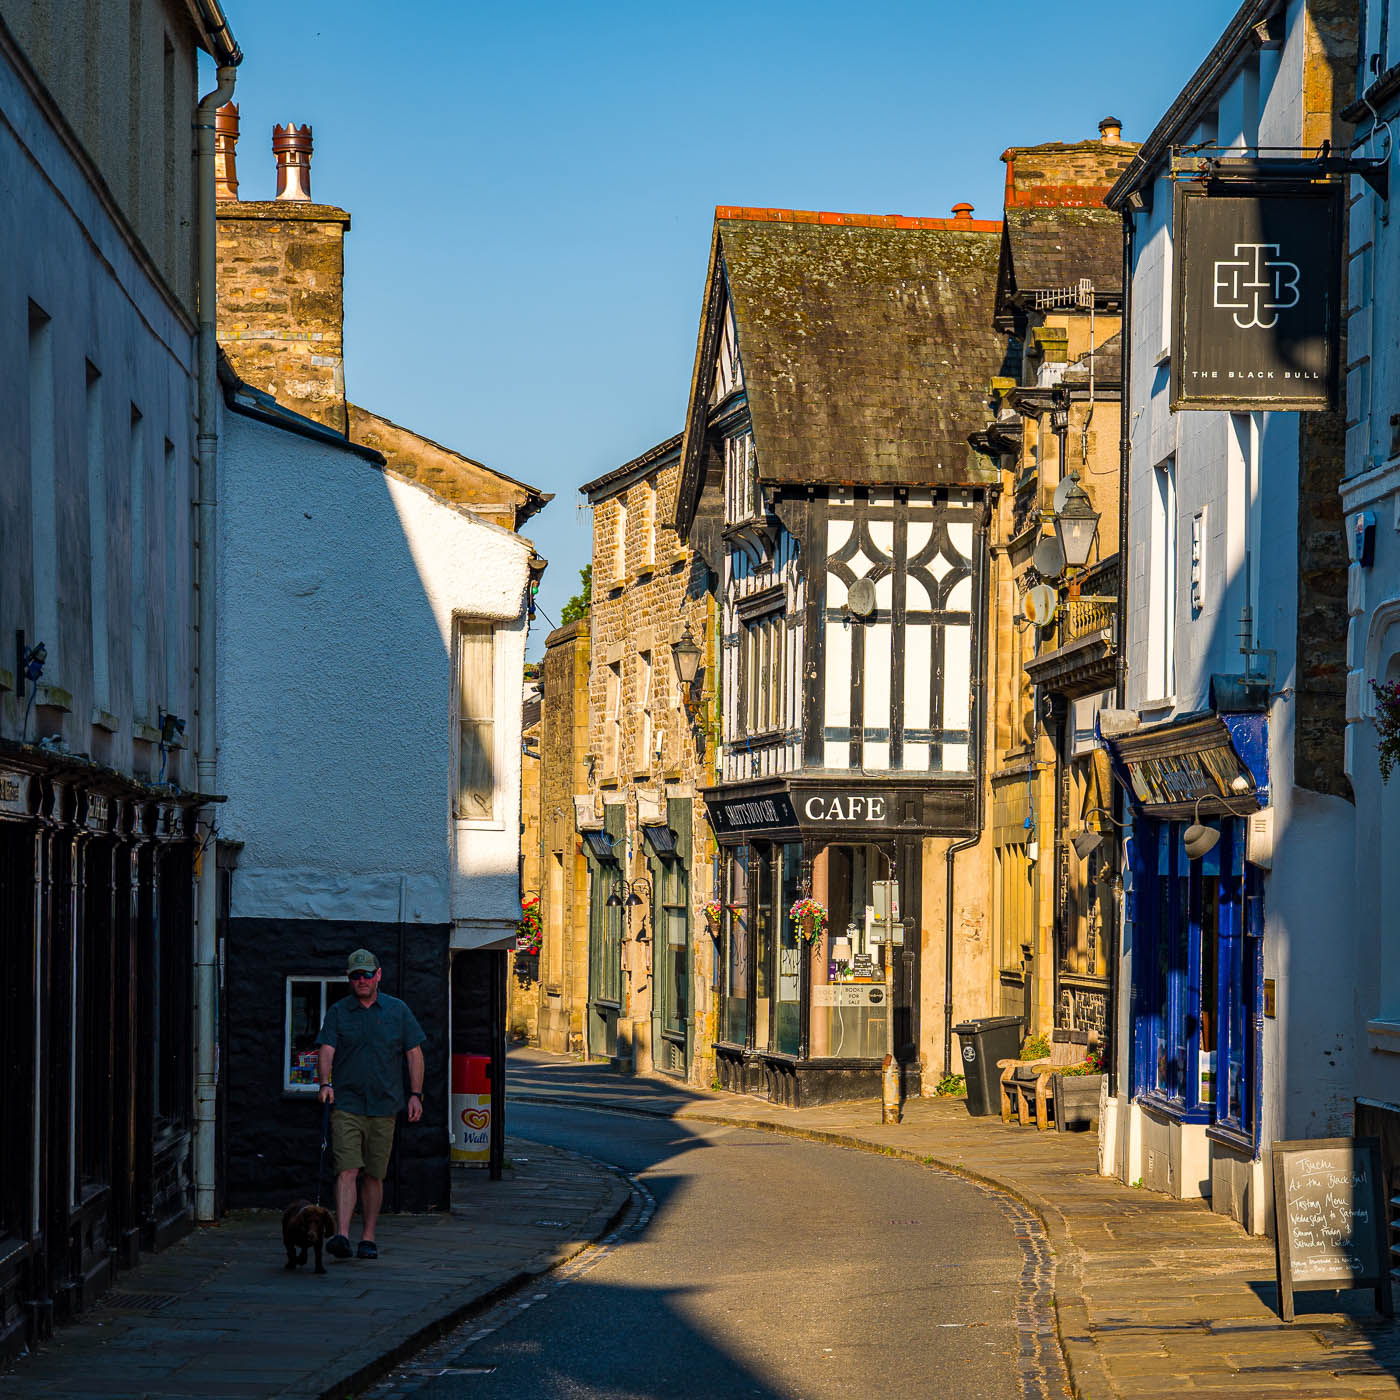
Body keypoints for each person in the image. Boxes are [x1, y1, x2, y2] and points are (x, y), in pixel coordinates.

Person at [316, 948, 425, 1260]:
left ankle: (369, 1236)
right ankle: (341, 1235)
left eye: (367, 974)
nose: (361, 980)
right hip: (347, 1103)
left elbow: (414, 1053)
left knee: (374, 1174)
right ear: (349, 979)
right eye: (355, 975)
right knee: (347, 1169)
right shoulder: (339, 1012)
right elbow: (327, 1048)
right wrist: (325, 1084)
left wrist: (415, 1094)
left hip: (385, 1105)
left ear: (378, 975)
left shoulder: (398, 1010)